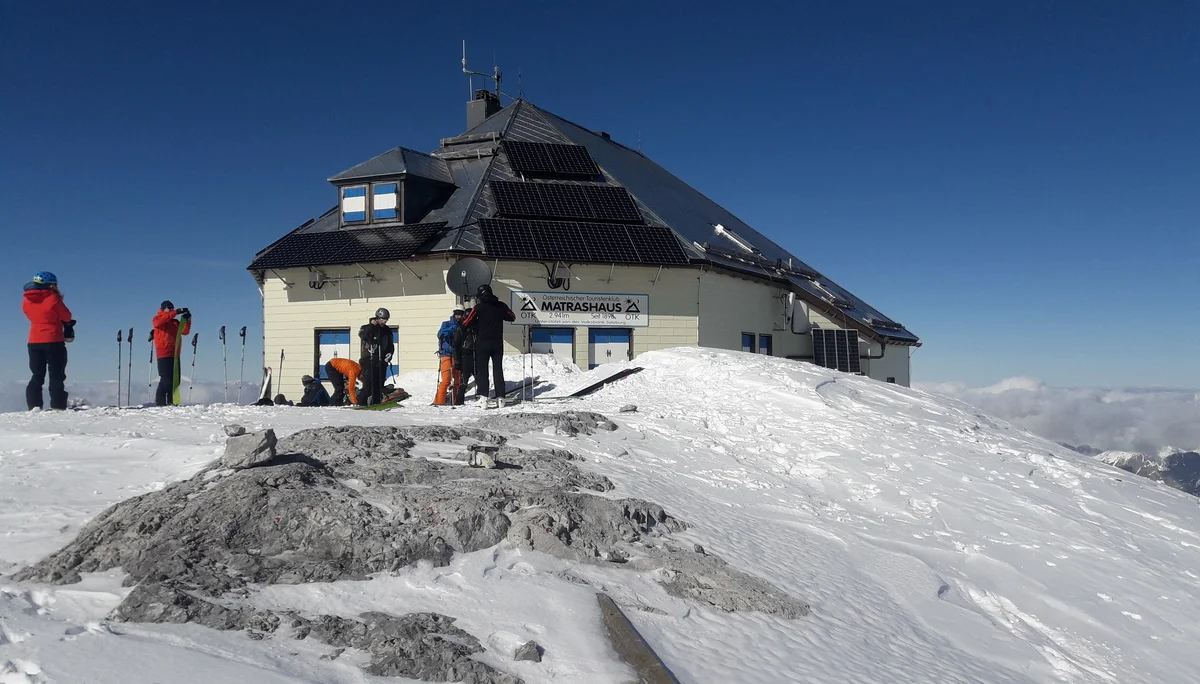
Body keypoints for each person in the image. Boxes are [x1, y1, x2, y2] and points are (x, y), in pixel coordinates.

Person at [22, 271, 73, 411]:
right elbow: (67, 316)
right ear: (51, 285)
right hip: (53, 339)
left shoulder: (26, 300)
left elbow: (30, 315)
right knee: (56, 374)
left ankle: (34, 406)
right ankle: (58, 406)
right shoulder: (53, 298)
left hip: (33, 340)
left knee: (37, 374)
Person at [461, 284, 514, 406]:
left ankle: (484, 398)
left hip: (483, 343)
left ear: (480, 296)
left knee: (482, 371)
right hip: (497, 344)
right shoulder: (500, 306)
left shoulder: (479, 308)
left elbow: (466, 322)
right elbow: (512, 317)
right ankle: (500, 398)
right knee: (498, 370)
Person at [152, 301, 192, 406]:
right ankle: (160, 403)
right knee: (166, 380)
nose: (171, 309)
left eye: (172, 308)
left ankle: (172, 402)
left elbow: (185, 331)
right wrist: (176, 312)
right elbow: (157, 323)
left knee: (175, 380)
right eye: (169, 308)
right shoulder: (158, 319)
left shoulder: (174, 322)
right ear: (163, 309)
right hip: (163, 353)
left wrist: (187, 320)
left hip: (175, 353)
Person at [357, 307, 394, 406]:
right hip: (369, 359)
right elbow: (363, 335)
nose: (384, 322)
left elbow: (390, 344)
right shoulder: (367, 327)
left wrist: (390, 353)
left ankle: (376, 403)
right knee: (368, 384)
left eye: (386, 320)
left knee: (379, 384)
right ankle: (361, 403)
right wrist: (372, 325)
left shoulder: (386, 330)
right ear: (377, 318)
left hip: (382, 360)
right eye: (383, 319)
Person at [432, 309, 464, 405]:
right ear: (454, 314)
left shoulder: (463, 325)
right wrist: (453, 328)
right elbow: (440, 334)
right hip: (446, 354)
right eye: (457, 314)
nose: (459, 316)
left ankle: (455, 400)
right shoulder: (446, 324)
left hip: (458, 355)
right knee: (446, 380)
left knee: (458, 380)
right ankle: (438, 401)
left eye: (460, 314)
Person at [452, 307, 477, 405]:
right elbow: (456, 346)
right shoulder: (461, 328)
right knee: (464, 380)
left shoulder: (475, 327)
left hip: (474, 355)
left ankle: (480, 396)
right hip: (465, 356)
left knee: (478, 378)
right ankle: (459, 399)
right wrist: (457, 361)